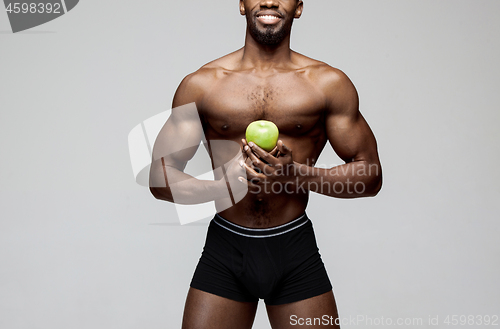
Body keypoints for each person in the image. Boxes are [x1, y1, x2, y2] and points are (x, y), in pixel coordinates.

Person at [149, 0, 382, 328]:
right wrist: (223, 186)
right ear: (241, 4)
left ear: (299, 7)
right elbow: (159, 177)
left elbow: (370, 175)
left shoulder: (329, 84)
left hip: (293, 248)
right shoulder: (202, 85)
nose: (270, 0)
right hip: (226, 248)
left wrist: (296, 175)